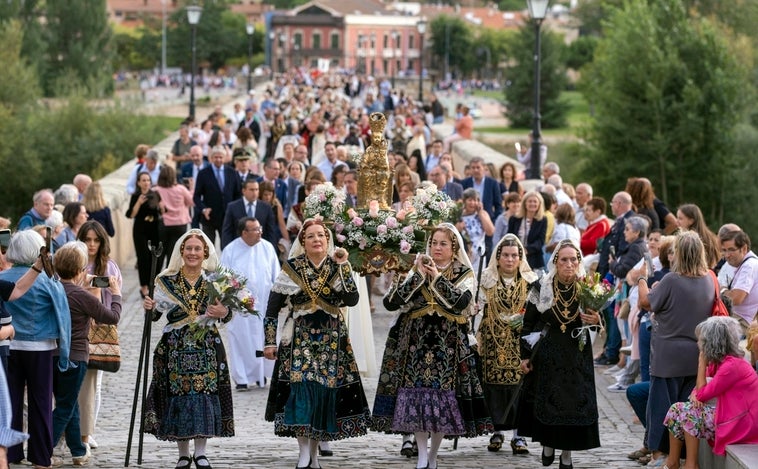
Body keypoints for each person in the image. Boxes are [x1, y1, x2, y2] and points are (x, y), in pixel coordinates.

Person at [372, 223, 492, 469]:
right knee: (415, 396)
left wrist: (436, 278)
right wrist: (416, 275)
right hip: (415, 341)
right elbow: (391, 303)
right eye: (434, 243)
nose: (437, 248)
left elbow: (460, 303)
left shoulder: (463, 273)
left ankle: (434, 455)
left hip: (447, 343)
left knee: (442, 400)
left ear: (453, 247)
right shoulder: (414, 268)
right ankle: (422, 455)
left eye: (443, 244)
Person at [263, 219, 370, 469]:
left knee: (322, 394)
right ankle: (303, 453)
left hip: (331, 339)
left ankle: (314, 454)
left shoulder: (337, 266)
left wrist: (343, 267)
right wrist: (270, 342)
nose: (316, 240)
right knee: (301, 392)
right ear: (303, 242)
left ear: (328, 239)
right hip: (299, 339)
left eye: (321, 235)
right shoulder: (291, 268)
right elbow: (272, 309)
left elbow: (351, 298)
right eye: (310, 236)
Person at [142, 230, 235, 469]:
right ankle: (183, 454)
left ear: (205, 252)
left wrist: (222, 312)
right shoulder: (166, 281)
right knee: (180, 396)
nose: (193, 253)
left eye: (197, 249)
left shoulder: (217, 280)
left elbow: (229, 313)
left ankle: (201, 453)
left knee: (204, 395)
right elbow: (156, 315)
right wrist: (149, 307)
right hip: (175, 347)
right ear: (181, 252)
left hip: (207, 346)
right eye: (189, 248)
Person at [518, 239, 602, 469]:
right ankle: (548, 444)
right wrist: (524, 356)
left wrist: (596, 320)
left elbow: (596, 324)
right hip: (549, 354)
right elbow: (528, 324)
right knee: (550, 403)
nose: (569, 264)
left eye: (573, 259)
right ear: (555, 261)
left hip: (577, 354)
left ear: (579, 262)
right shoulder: (541, 286)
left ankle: (566, 454)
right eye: (563, 259)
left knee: (572, 406)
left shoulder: (588, 287)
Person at [637, 231, 713, 467]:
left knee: (661, 408)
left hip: (667, 355)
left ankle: (660, 455)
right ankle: (677, 457)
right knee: (683, 409)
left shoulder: (672, 279)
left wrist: (642, 280)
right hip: (694, 356)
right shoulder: (708, 279)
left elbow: (646, 302)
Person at [0, 230, 71, 469]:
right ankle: (41, 458)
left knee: (9, 402)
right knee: (41, 403)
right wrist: (65, 351)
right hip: (40, 346)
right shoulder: (48, 280)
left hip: (8, 346)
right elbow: (63, 315)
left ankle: (9, 454)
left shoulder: (4, 276)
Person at [51, 242, 121, 467]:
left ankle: (78, 451)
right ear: (80, 270)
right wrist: (116, 294)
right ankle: (42, 449)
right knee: (64, 407)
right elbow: (111, 317)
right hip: (76, 356)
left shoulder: (51, 289)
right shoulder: (82, 295)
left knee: (69, 403)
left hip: (51, 355)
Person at [661, 316, 758, 469]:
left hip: (741, 422)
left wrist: (701, 363)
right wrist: (696, 393)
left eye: (701, 341)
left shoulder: (731, 366)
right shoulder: (721, 363)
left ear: (711, 343)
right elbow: (699, 391)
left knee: (689, 413)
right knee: (675, 410)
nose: (698, 344)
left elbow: (702, 394)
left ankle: (691, 465)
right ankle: (672, 462)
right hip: (730, 414)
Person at [478, 234, 538, 455]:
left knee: (518, 387)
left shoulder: (531, 282)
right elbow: (479, 309)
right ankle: (497, 430)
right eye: (506, 255)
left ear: (520, 257)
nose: (510, 260)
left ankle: (518, 435)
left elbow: (535, 311)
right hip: (493, 341)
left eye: (514, 255)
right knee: (494, 388)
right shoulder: (486, 280)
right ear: (498, 257)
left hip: (518, 342)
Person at [76, 221, 123, 452]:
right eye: (87, 239)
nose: (92, 244)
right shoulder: (75, 263)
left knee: (95, 383)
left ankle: (88, 431)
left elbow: (116, 295)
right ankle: (80, 431)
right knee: (78, 384)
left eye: (96, 240)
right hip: (77, 328)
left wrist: (105, 287)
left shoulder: (110, 267)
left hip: (100, 328)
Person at [220, 218, 280, 390]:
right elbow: (223, 279)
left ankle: (262, 375)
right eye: (255, 229)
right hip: (240, 308)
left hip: (264, 304)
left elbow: (276, 275)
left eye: (260, 228)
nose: (260, 231)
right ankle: (242, 378)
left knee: (263, 338)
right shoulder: (230, 250)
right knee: (241, 340)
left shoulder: (267, 247)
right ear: (244, 233)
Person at [193, 146, 242, 244]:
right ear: (211, 158)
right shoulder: (203, 174)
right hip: (209, 217)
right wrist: (203, 209)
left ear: (225, 158)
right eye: (216, 157)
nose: (218, 159)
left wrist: (235, 210)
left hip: (227, 217)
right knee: (208, 248)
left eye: (221, 157)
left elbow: (238, 194)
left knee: (227, 246)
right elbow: (196, 196)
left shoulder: (232, 172)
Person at [127, 171, 162, 299]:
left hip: (154, 228)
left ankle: (154, 284)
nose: (146, 182)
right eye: (143, 180)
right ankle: (144, 286)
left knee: (156, 256)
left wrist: (161, 206)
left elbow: (163, 211)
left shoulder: (155, 194)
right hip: (140, 228)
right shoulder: (136, 196)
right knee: (143, 258)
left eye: (148, 180)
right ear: (138, 183)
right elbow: (131, 214)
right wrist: (139, 203)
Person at [153, 165, 194, 265]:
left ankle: (157, 276)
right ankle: (170, 277)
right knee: (174, 254)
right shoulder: (181, 189)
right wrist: (191, 189)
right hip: (180, 223)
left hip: (164, 223)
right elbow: (191, 202)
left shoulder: (156, 190)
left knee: (161, 253)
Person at [719, 230, 758, 333]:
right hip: (738, 319)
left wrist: (722, 290)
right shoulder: (746, 263)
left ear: (744, 249)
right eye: (724, 250)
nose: (727, 255)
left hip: (742, 322)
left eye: (731, 250)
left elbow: (736, 299)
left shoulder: (749, 265)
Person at [220, 180, 277, 249]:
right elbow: (227, 231)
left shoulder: (266, 208)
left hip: (260, 248)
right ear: (244, 191)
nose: (254, 193)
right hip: (238, 248)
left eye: (256, 190)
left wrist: (272, 249)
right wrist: (226, 249)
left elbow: (271, 231)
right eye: (251, 190)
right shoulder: (233, 207)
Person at [507, 190, 548, 272]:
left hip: (534, 259)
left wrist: (527, 250)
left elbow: (540, 241)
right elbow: (509, 237)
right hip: (515, 258)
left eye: (535, 202)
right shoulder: (514, 219)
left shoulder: (543, 220)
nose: (532, 204)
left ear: (539, 204)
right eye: (530, 201)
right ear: (525, 203)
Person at [457, 188, 495, 273]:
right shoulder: (458, 216)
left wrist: (480, 213)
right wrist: (458, 228)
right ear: (464, 201)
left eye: (476, 200)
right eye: (470, 200)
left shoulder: (483, 214)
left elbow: (490, 232)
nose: (473, 203)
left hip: (479, 255)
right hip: (464, 255)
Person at [676, 203, 721, 269]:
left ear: (691, 221)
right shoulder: (710, 237)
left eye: (680, 218)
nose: (677, 221)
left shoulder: (688, 241)